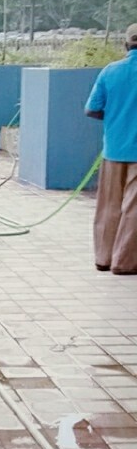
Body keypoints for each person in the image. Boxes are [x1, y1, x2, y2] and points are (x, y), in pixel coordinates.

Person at [85, 22, 137, 275]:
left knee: (108, 205)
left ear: (126, 44)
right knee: (133, 207)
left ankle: (103, 258)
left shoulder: (110, 71)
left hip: (113, 149)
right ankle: (124, 262)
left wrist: (114, 118)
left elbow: (91, 109)